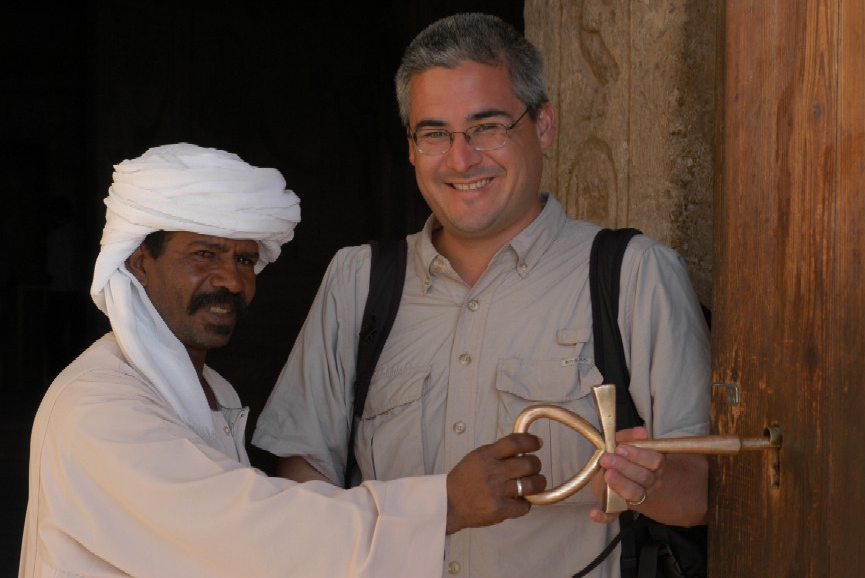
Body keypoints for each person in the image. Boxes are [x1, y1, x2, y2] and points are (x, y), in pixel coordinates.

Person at [253, 13, 711, 577]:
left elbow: (703, 496)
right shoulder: (358, 282)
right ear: (412, 148)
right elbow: (301, 491)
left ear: (542, 125)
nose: (461, 158)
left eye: (487, 126)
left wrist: (646, 484)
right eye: (435, 133)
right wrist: (440, 507)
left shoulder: (635, 275)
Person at [19, 143, 544, 578]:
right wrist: (444, 505)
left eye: (244, 259)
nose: (231, 280)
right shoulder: (97, 405)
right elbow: (245, 534)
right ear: (139, 263)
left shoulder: (212, 391)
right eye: (204, 254)